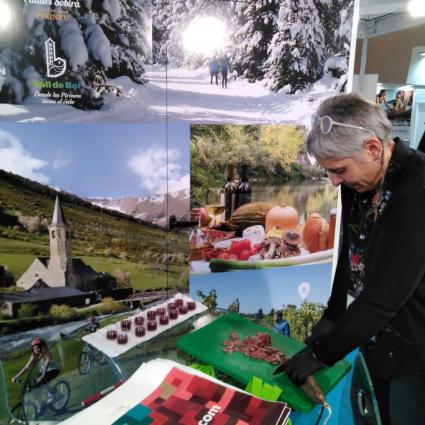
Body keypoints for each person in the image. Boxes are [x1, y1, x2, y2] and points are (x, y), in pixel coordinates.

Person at [279, 93, 425, 425]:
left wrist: (321, 354)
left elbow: (385, 296)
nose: (334, 181)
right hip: (378, 337)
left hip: (416, 343)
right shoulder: (359, 180)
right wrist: (333, 315)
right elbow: (349, 250)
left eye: (339, 170)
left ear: (373, 148)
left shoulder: (418, 186)